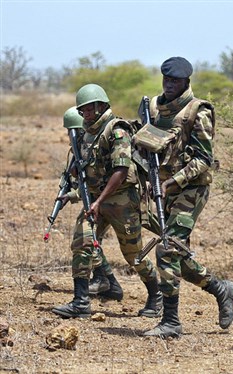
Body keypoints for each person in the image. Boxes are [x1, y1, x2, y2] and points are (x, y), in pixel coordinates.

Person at [136, 57, 233, 338]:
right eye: (166, 80)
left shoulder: (197, 110)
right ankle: (220, 289)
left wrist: (174, 181)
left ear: (186, 83)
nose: (169, 85)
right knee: (178, 255)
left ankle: (171, 321)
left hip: (191, 188)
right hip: (161, 186)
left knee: (167, 248)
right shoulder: (153, 108)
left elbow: (204, 159)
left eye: (175, 81)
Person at [52, 84, 162, 319]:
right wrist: (75, 183)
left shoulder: (117, 130)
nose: (86, 114)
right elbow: (86, 171)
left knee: (133, 255)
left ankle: (157, 296)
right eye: (82, 110)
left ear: (102, 106)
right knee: (82, 244)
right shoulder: (85, 133)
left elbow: (121, 170)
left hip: (121, 200)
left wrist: (99, 200)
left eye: (89, 108)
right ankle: (81, 302)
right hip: (95, 201)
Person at [58, 106, 124, 302]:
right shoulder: (79, 151)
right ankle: (102, 285)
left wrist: (92, 198)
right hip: (99, 203)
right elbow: (85, 185)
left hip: (119, 202)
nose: (72, 136)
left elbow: (102, 180)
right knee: (85, 240)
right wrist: (72, 193)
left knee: (133, 254)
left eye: (75, 132)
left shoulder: (99, 145)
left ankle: (153, 293)